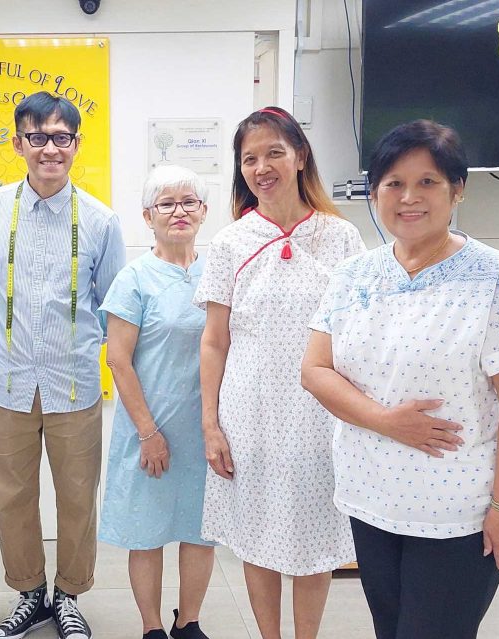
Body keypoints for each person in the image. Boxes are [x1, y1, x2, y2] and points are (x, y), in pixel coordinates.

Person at [301, 120, 499, 639]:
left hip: (460, 514)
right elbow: (314, 370)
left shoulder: (494, 275)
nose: (409, 197)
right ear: (374, 192)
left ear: (457, 190)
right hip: (371, 499)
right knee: (390, 630)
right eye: (393, 183)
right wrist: (385, 421)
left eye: (428, 182)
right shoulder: (356, 275)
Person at [194, 107, 364, 639]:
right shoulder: (229, 244)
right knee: (257, 535)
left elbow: (358, 333)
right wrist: (211, 425)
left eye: (274, 153)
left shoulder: (341, 237)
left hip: (320, 415)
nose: (262, 167)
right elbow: (214, 341)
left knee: (314, 538)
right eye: (250, 159)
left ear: (300, 156)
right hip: (250, 415)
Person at [0, 91, 126, 639]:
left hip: (75, 382)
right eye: (36, 137)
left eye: (61, 138)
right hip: (6, 379)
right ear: (18, 143)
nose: (49, 148)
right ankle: (28, 594)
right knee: (11, 495)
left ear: (76, 145)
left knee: (77, 494)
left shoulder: (101, 220)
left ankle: (68, 596)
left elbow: (109, 305)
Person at [99, 165, 215, 639]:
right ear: (148, 216)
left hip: (205, 426)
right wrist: (148, 432)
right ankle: (151, 627)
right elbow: (119, 362)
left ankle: (189, 622)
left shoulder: (217, 273)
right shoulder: (134, 280)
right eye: (165, 204)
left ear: (204, 211)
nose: (178, 212)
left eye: (188, 202)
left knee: (199, 529)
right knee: (145, 532)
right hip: (149, 429)